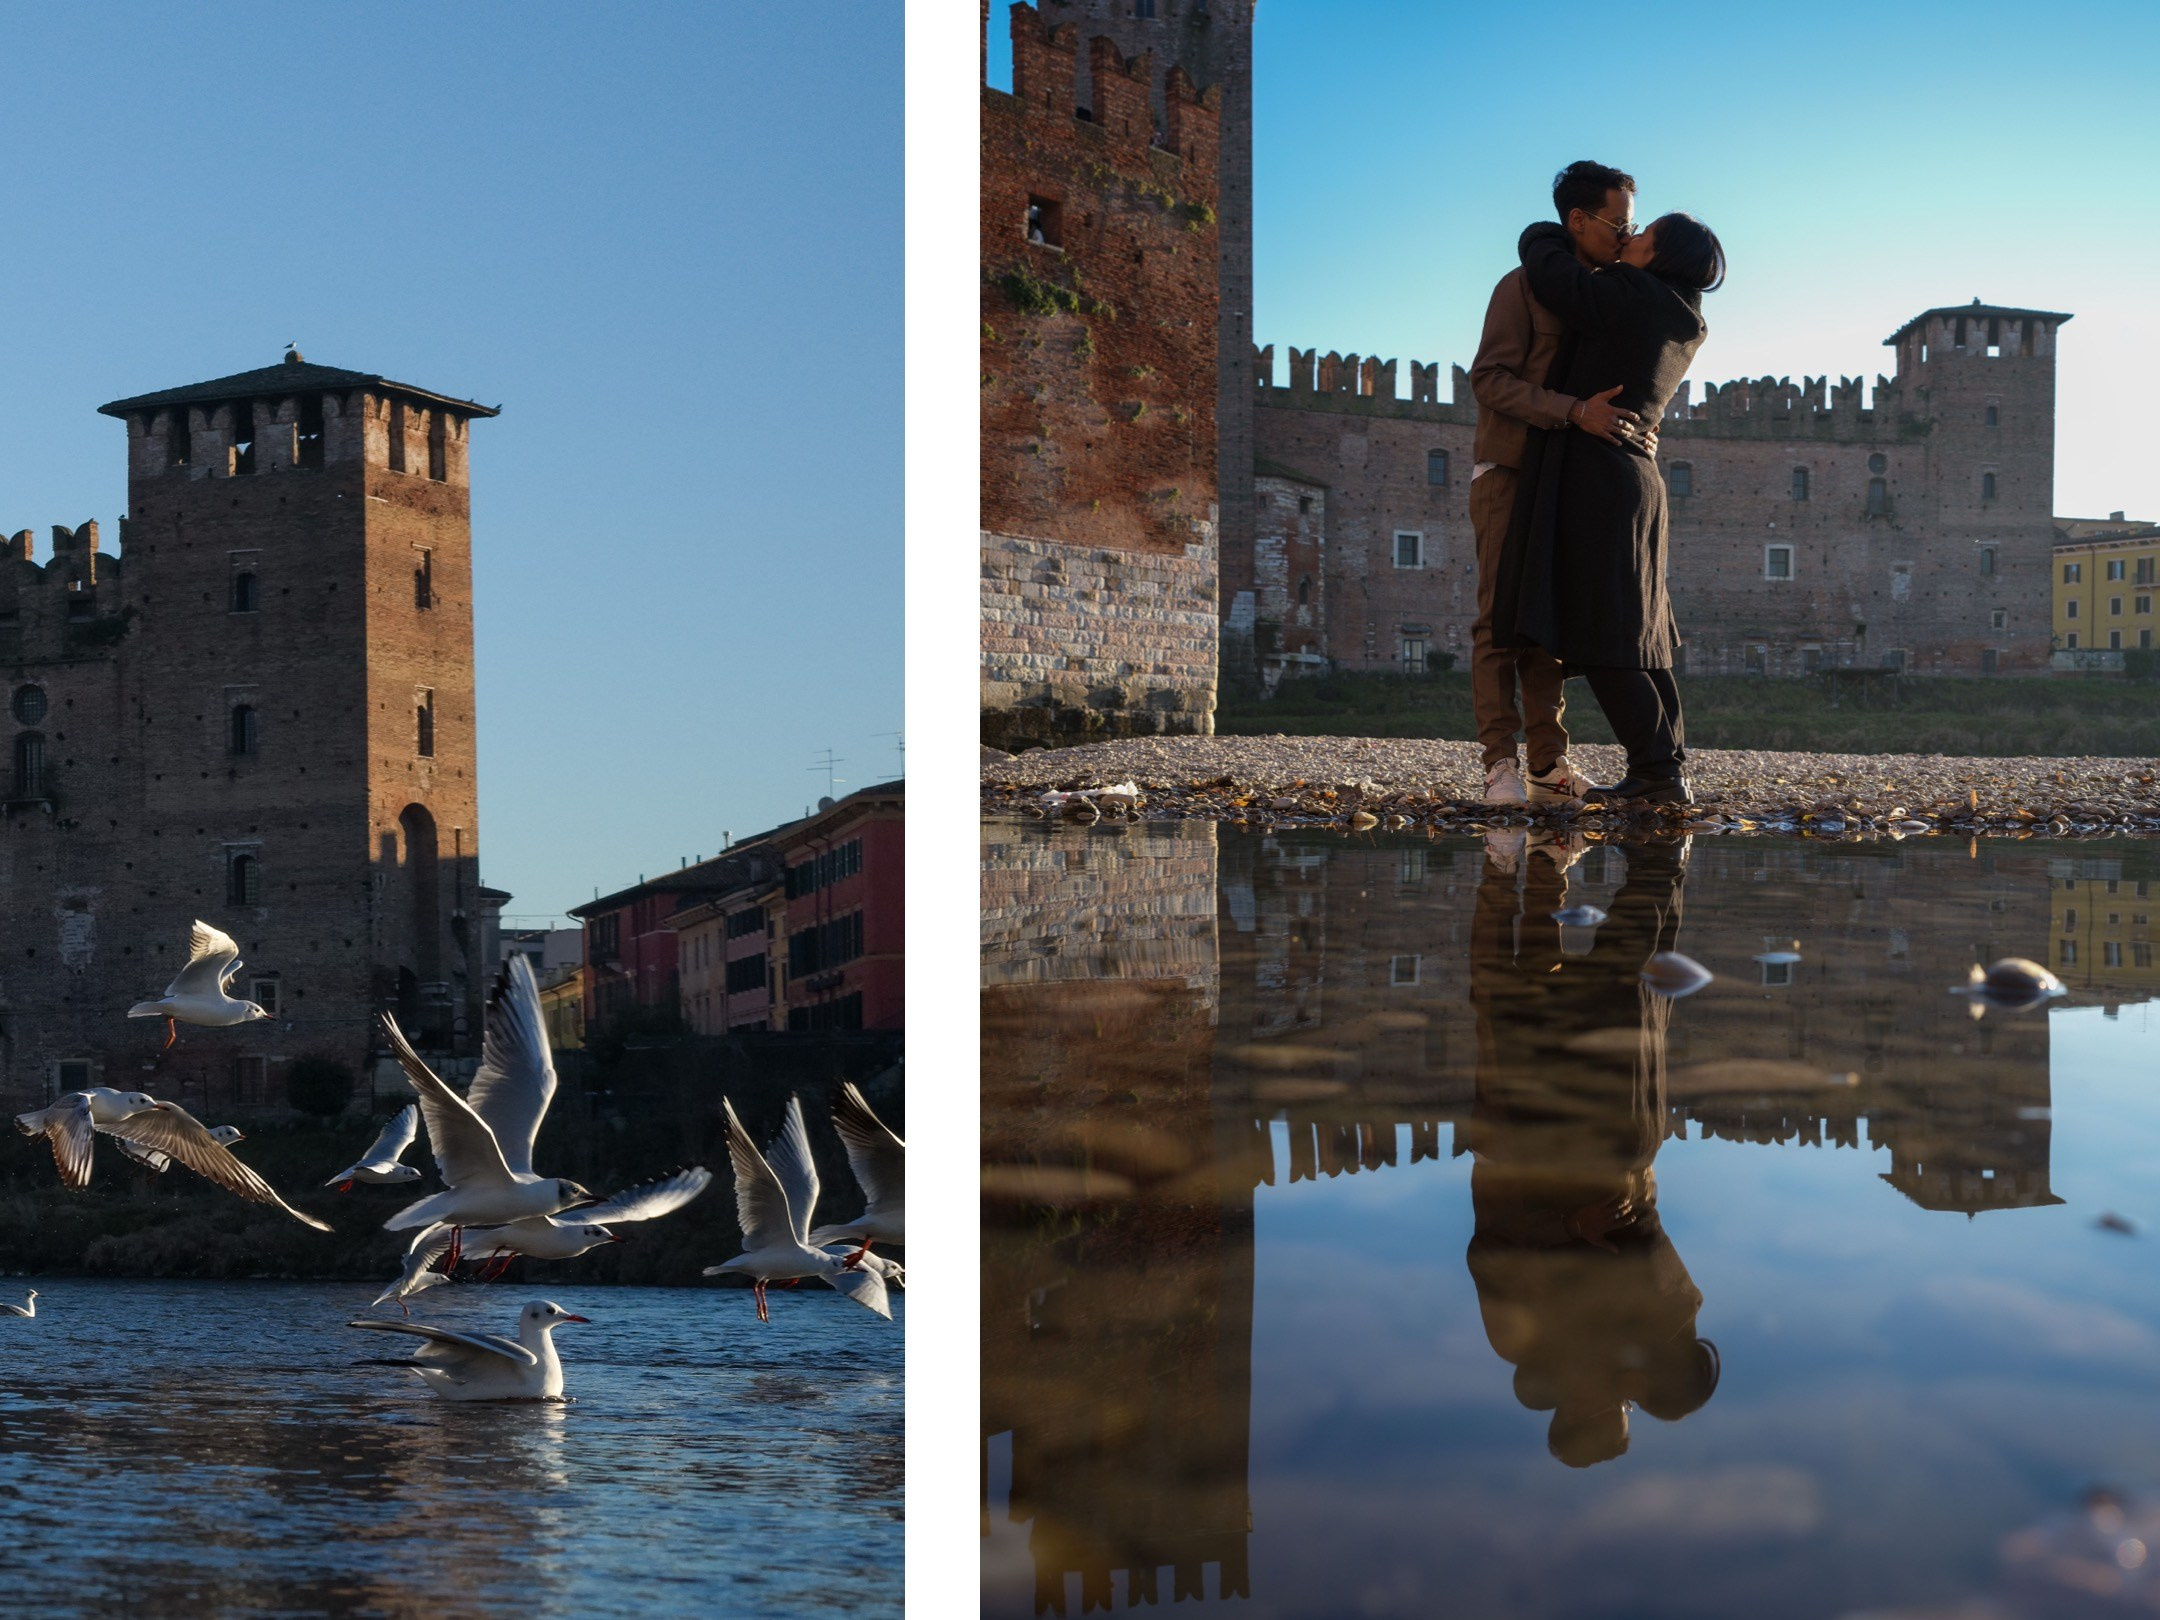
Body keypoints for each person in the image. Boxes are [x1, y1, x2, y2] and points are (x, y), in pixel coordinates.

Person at [1492, 207, 1726, 806]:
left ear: (1659, 257)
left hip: (1599, 479)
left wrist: (1543, 231)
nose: (1631, 236)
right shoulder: (1686, 317)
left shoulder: (1630, 293)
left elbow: (1553, 276)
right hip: (1638, 477)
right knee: (1641, 634)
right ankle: (1668, 766)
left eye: (1644, 235)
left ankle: (1657, 774)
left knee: (1602, 634)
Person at [1467, 161, 1654, 808]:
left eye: (1632, 227)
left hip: (1566, 486)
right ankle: (1500, 767)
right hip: (1510, 475)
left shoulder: (1608, 295)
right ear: (1577, 221)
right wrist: (1572, 411)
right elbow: (1488, 379)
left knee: (1548, 625)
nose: (1627, 239)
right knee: (1499, 623)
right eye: (1618, 225)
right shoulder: (1521, 286)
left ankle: (1548, 765)